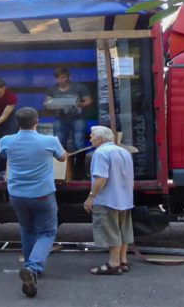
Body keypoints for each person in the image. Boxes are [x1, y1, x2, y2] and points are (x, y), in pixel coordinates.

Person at [0, 107, 67, 297]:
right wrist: (59, 144)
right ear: (37, 121)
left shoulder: (6, 141)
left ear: (16, 122)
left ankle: (30, 268)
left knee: (27, 229)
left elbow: (5, 155)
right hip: (42, 194)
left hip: (17, 194)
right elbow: (63, 158)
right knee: (47, 232)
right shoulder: (50, 141)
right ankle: (33, 268)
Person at [83, 126, 134, 275]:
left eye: (92, 136)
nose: (90, 139)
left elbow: (101, 177)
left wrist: (91, 197)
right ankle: (123, 261)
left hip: (107, 199)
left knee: (111, 230)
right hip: (125, 198)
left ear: (99, 139)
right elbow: (131, 178)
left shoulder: (100, 152)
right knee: (123, 230)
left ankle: (113, 263)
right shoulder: (124, 151)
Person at [44, 67, 93, 179]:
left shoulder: (79, 87)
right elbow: (47, 103)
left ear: (68, 77)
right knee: (59, 144)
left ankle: (80, 170)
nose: (61, 80)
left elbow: (89, 101)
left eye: (63, 77)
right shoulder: (52, 89)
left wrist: (80, 104)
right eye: (58, 78)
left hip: (78, 117)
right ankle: (62, 171)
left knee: (79, 144)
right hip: (61, 118)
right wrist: (50, 104)